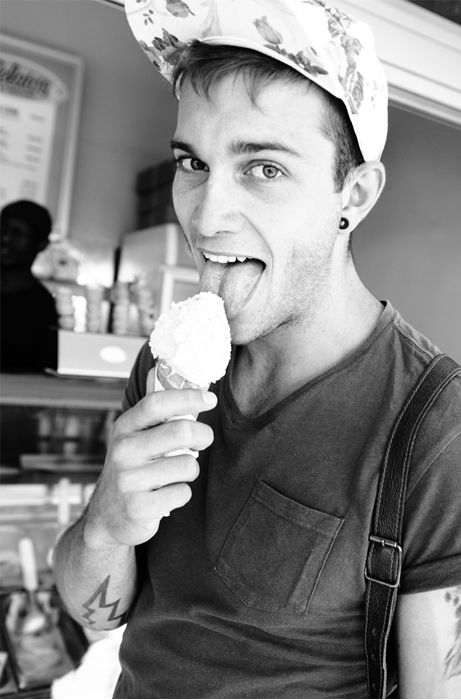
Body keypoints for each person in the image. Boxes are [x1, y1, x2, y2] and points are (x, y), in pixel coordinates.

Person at [53, 1, 461, 697]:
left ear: (353, 195)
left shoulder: (434, 425)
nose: (206, 217)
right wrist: (106, 523)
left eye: (263, 169)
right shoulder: (165, 368)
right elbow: (102, 609)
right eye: (193, 162)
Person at [0, 199, 58, 372]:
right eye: (3, 230)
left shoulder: (42, 305)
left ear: (41, 244)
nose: (5, 239)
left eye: (17, 234)